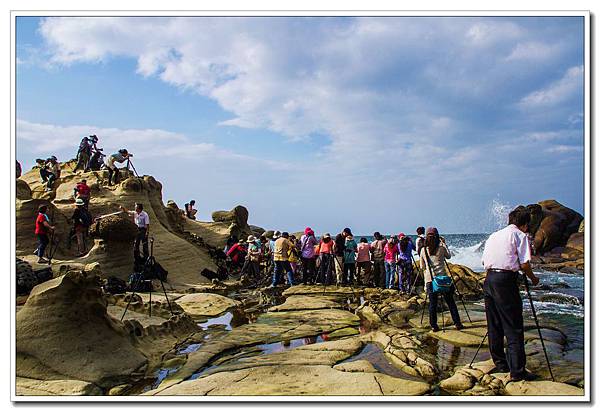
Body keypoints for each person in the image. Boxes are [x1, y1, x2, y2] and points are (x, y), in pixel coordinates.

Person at [481, 207, 540, 381]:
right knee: (513, 325)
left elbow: (485, 261)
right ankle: (517, 371)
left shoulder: (494, 236)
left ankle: (500, 364)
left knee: (494, 324)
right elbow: (525, 265)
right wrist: (533, 279)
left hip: (489, 279)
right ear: (525, 224)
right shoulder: (520, 236)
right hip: (505, 282)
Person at [420, 227, 463, 332]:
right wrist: (444, 243)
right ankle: (457, 324)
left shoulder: (423, 250)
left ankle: (434, 326)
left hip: (430, 280)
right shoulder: (441, 248)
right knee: (450, 302)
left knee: (433, 304)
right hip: (443, 280)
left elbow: (422, 267)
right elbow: (448, 256)